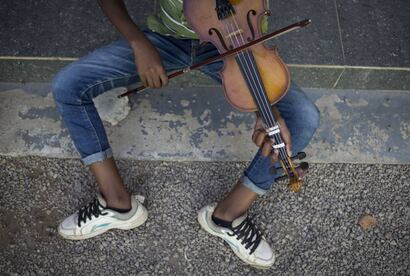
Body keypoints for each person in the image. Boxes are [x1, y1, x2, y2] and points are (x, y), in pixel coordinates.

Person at [52, 0, 320, 269]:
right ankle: (116, 204)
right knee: (67, 85)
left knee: (303, 116)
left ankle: (228, 216)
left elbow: (246, 32)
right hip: (165, 40)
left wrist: (265, 106)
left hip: (234, 48)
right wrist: (138, 43)